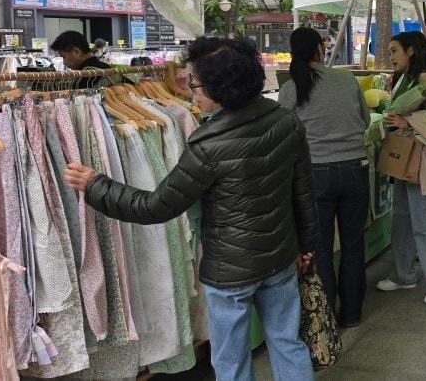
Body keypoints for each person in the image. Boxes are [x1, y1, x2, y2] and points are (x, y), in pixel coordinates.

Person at [64, 37, 317, 381]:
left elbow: (154, 206)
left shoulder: (207, 147)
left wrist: (95, 184)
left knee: (231, 361)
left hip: (231, 274)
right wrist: (307, 247)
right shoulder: (286, 121)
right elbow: (303, 191)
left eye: (194, 84)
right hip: (281, 258)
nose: (190, 92)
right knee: (288, 344)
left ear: (221, 88)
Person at [279, 27, 371, 328]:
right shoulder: (346, 79)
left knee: (319, 248)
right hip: (355, 168)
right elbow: (366, 120)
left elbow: (283, 134)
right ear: (320, 48)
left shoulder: (291, 89)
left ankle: (327, 315)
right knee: (354, 243)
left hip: (314, 175)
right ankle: (353, 313)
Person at [376, 32, 426, 305]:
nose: (391, 56)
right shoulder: (402, 78)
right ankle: (404, 274)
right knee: (401, 218)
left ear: (410, 51)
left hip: (423, 158)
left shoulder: (425, 79)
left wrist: (407, 120)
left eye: (395, 50)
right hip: (405, 157)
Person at [50, 30, 122, 88]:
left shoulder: (87, 76)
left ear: (76, 52)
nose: (64, 63)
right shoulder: (105, 67)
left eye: (64, 56)